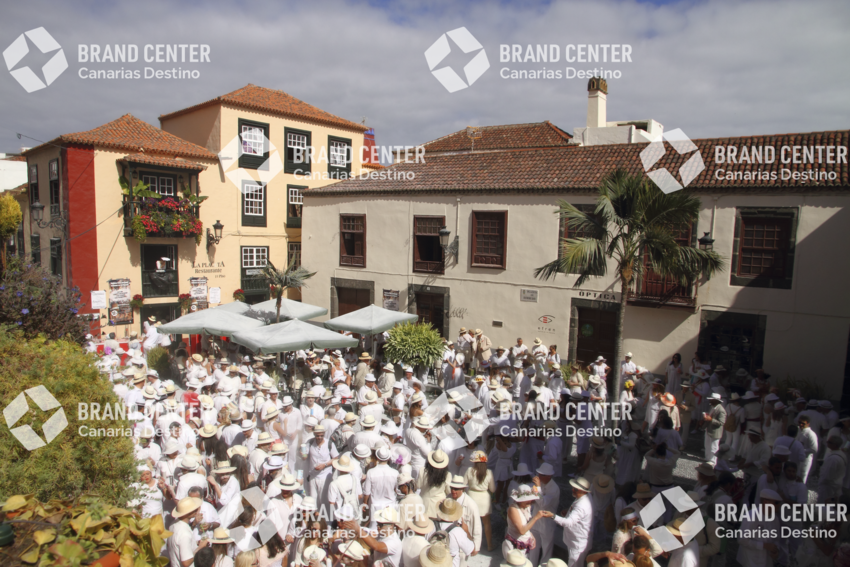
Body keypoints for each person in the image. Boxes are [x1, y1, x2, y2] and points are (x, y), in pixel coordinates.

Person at [553, 476, 594, 567]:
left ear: (582, 491)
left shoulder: (582, 506)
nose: (572, 490)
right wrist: (568, 512)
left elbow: (568, 523)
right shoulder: (586, 497)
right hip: (577, 541)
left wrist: (553, 516)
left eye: (575, 489)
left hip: (577, 544)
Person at [528, 463, 560, 566]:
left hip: (547, 523)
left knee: (546, 549)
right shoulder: (540, 484)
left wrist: (537, 488)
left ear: (549, 476)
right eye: (539, 474)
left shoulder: (554, 488)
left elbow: (543, 504)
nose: (539, 476)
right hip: (536, 520)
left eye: (541, 475)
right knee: (533, 545)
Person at [167, 497, 209, 567]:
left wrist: (195, 543)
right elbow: (186, 562)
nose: (197, 510)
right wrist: (200, 547)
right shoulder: (184, 534)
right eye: (194, 509)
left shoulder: (173, 525)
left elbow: (178, 543)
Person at [703, 393, 726, 465]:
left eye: (711, 400)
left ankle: (713, 461)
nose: (710, 401)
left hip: (715, 431)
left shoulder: (721, 410)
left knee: (714, 447)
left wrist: (711, 419)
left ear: (716, 400)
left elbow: (721, 422)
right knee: (707, 445)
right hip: (709, 429)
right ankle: (708, 458)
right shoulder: (712, 407)